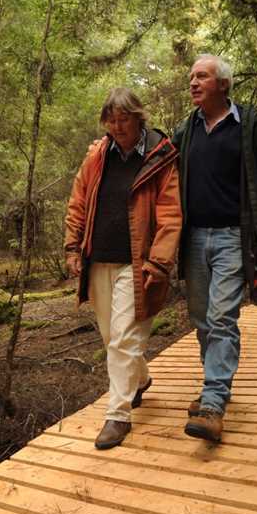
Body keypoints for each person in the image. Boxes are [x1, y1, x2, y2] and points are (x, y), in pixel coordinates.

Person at [173, 54, 257, 442]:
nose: (194, 82)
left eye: (202, 76)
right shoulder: (186, 130)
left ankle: (213, 403)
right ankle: (214, 383)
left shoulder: (250, 125)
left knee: (222, 315)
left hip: (232, 237)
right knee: (201, 318)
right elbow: (157, 162)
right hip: (193, 238)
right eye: (192, 76)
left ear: (223, 84)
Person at [64, 88, 182, 449]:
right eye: (111, 121)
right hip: (98, 260)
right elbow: (79, 201)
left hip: (138, 263)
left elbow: (170, 215)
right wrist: (72, 245)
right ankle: (140, 378)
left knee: (123, 339)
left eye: (123, 119)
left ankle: (118, 415)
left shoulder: (160, 158)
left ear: (138, 117)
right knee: (111, 338)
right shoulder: (98, 156)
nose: (117, 127)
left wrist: (159, 262)